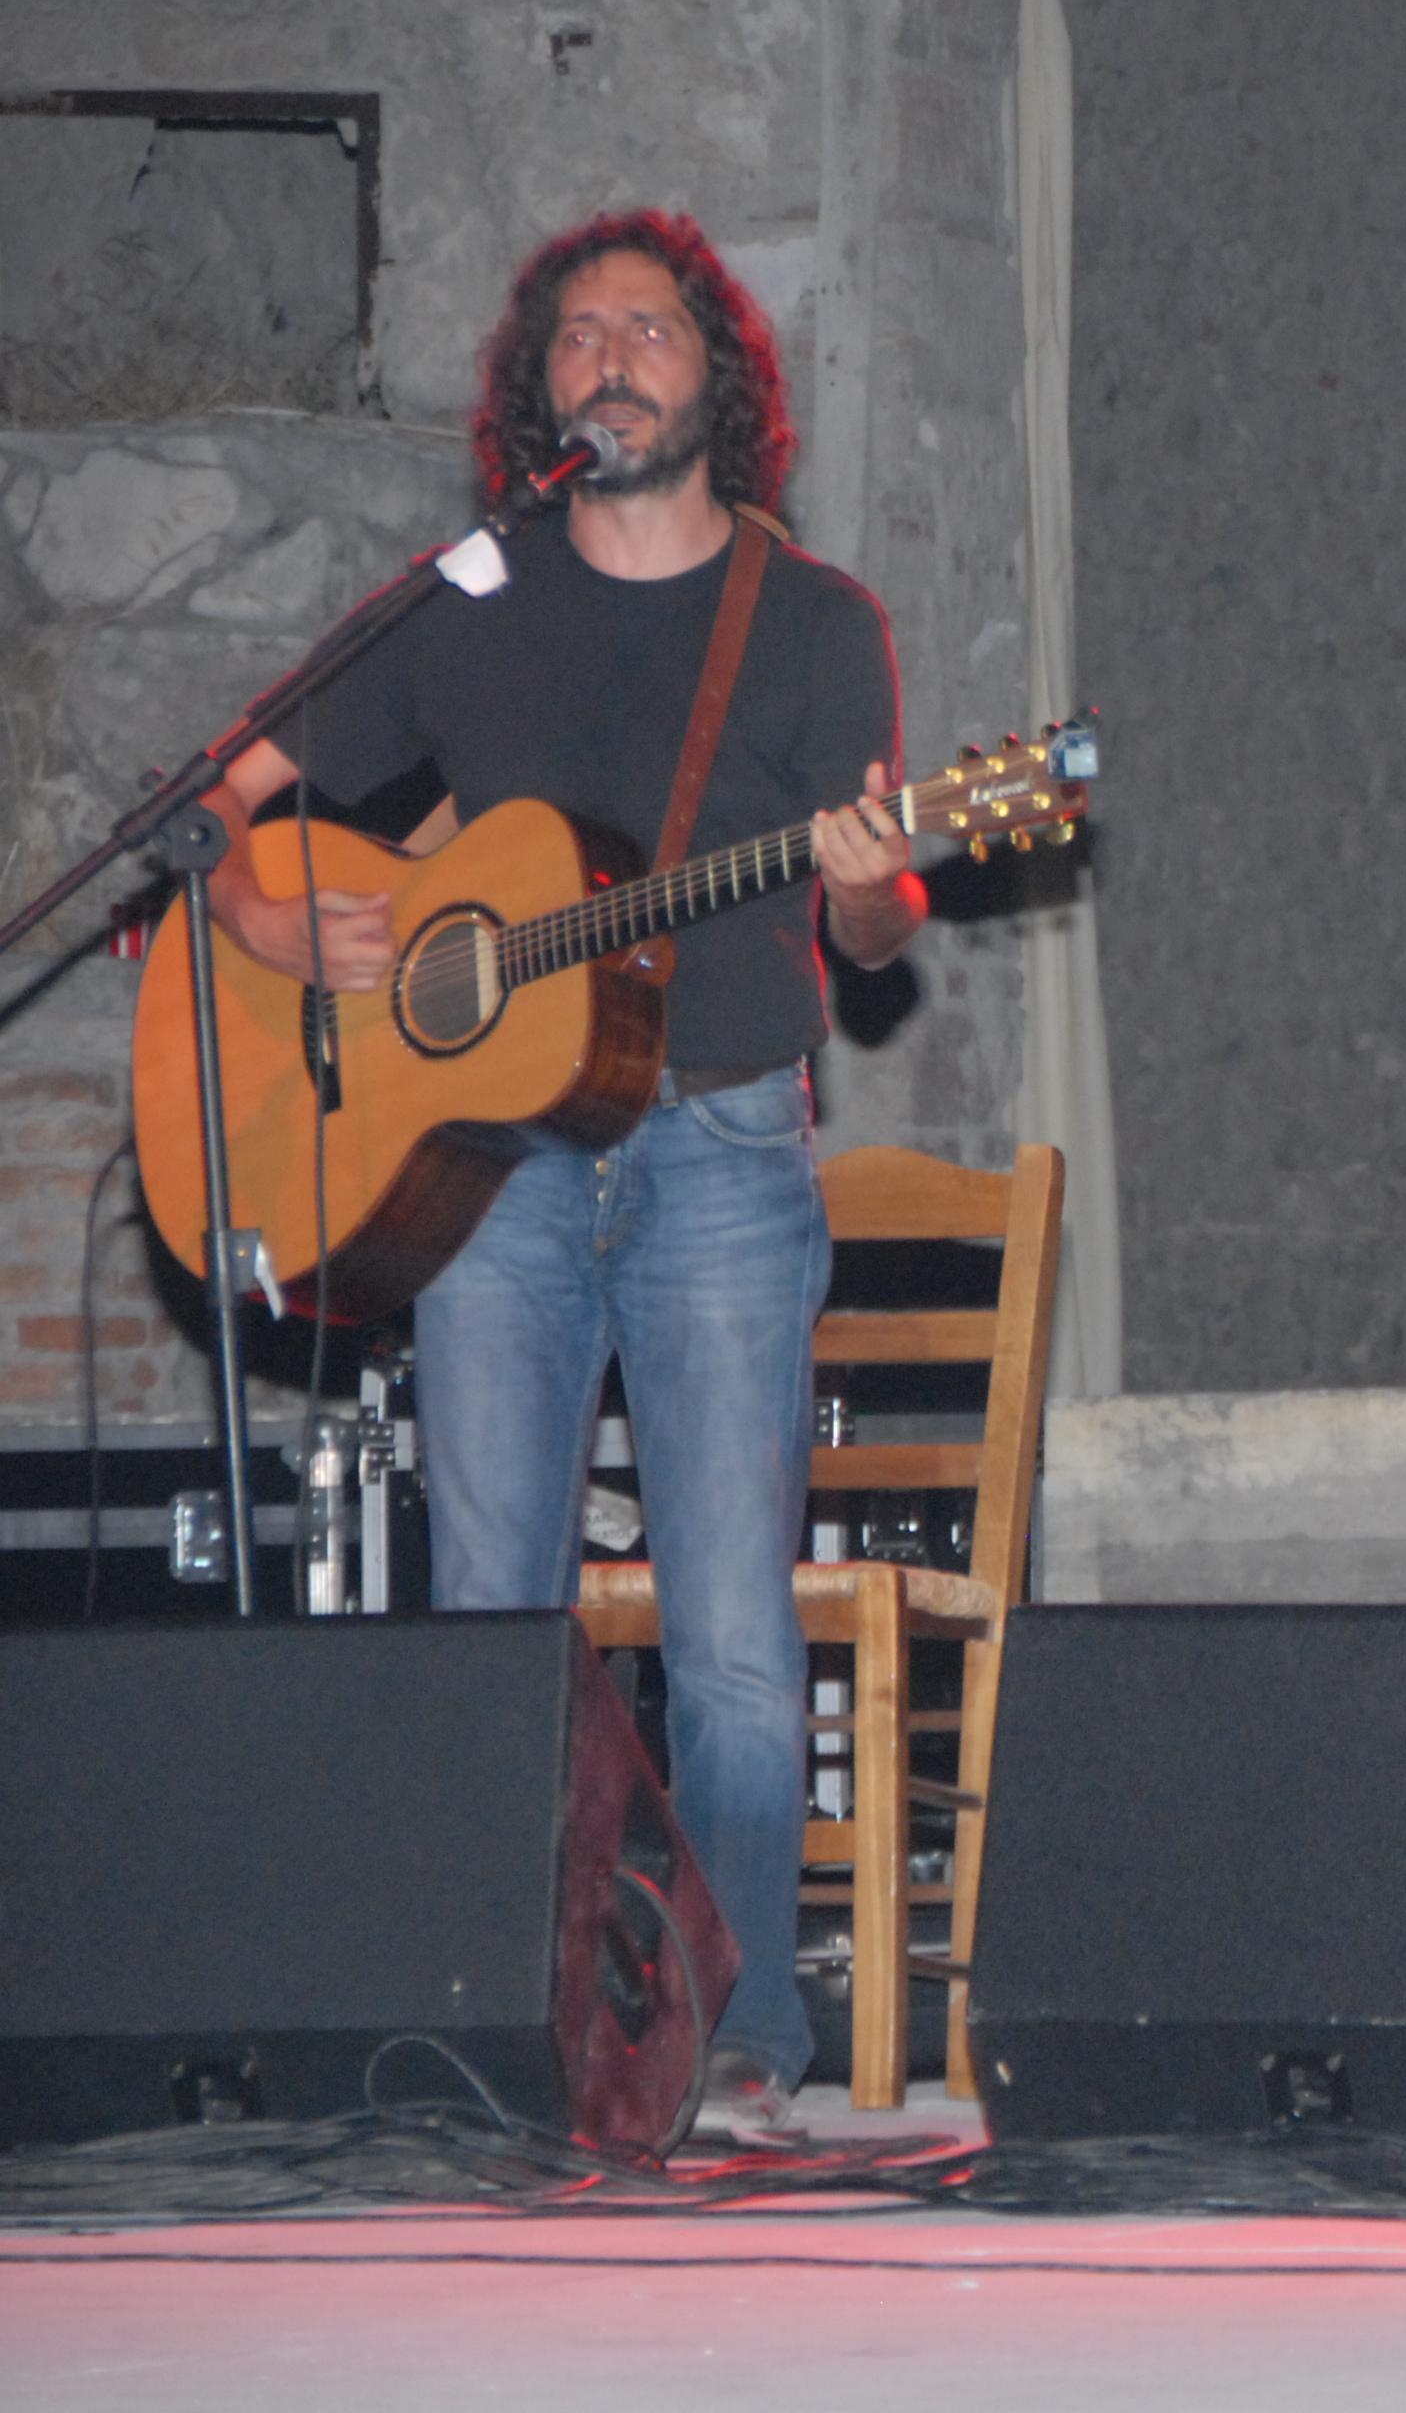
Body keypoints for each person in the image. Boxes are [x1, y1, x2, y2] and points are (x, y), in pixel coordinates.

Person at [204, 210, 925, 2140]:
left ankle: (744, 2047)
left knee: (732, 1636)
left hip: (721, 1149)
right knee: (491, 1611)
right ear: (539, 390)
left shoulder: (811, 622)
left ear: (721, 379)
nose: (612, 356)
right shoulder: (464, 602)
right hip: (485, 1170)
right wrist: (268, 924)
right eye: (579, 334)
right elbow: (233, 796)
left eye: (651, 329)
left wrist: (872, 893)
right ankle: (501, 2031)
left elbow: (870, 936)